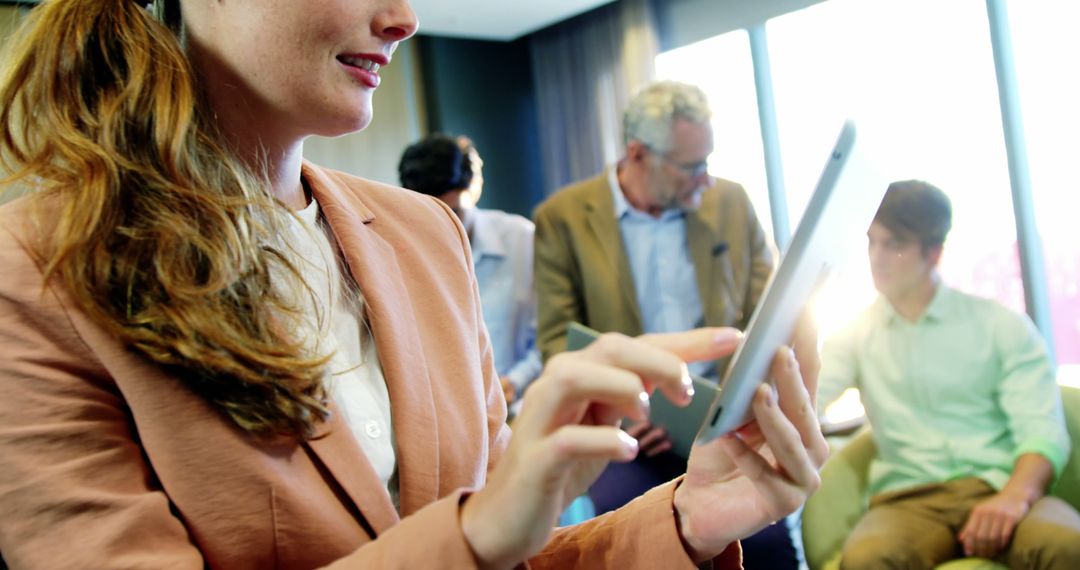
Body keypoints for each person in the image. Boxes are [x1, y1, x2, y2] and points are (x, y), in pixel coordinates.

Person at [0, 1, 826, 568]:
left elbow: (519, 551)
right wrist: (475, 536)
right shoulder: (30, 277)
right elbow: (483, 537)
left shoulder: (425, 235)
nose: (404, 18)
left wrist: (686, 518)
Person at [533, 80, 804, 568]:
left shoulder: (732, 204)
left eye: (708, 161)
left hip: (725, 423)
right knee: (630, 537)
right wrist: (633, 405)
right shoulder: (564, 218)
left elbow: (771, 315)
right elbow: (558, 342)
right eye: (692, 165)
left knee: (765, 542)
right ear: (639, 154)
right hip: (633, 434)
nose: (705, 180)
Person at [818, 180, 1080, 569]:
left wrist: (1015, 496)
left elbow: (1041, 430)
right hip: (908, 501)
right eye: (873, 242)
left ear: (934, 253)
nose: (878, 257)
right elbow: (808, 399)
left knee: (1066, 544)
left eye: (895, 244)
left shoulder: (999, 325)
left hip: (1000, 485)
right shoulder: (853, 336)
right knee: (867, 560)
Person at [397, 133, 542, 407]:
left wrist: (517, 380)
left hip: (521, 410)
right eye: (430, 213)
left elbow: (551, 334)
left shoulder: (523, 240)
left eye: (454, 212)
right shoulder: (399, 255)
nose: (444, 226)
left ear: (476, 187)